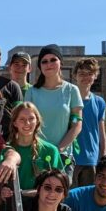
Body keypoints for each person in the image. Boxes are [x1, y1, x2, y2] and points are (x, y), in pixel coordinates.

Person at [24, 45, 82, 175]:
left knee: (58, 195)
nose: (48, 64)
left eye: (53, 60)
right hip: (35, 155)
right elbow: (25, 124)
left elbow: (77, 124)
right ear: (40, 66)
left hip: (62, 156)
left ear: (60, 62)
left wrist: (58, 150)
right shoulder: (31, 92)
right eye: (44, 61)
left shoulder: (71, 90)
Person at [3, 102, 63, 191]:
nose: (27, 123)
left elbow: (59, 184)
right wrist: (3, 190)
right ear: (15, 123)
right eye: (22, 119)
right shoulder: (6, 151)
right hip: (13, 203)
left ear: (37, 121)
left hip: (42, 203)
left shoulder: (51, 150)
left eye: (31, 118)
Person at [72, 58, 106, 188]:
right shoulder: (68, 99)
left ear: (95, 76)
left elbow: (101, 134)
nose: (85, 77)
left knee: (89, 201)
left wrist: (103, 160)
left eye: (89, 74)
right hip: (71, 159)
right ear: (75, 76)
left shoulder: (99, 102)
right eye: (81, 74)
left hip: (91, 160)